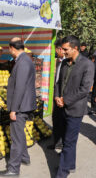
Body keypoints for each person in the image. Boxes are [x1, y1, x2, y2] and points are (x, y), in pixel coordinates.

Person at [54, 35, 94, 178]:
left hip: (75, 109)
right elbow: (59, 83)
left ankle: (62, 173)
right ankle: (69, 165)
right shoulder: (64, 63)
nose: (63, 52)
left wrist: (66, 100)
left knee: (69, 142)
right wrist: (57, 97)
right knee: (66, 139)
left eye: (66, 49)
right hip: (61, 106)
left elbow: (84, 89)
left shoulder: (87, 64)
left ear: (75, 48)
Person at [0, 37, 37, 177]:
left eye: (9, 49)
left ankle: (13, 168)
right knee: (20, 134)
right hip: (24, 104)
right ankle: (25, 158)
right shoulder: (25, 60)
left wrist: (13, 109)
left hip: (20, 106)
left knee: (16, 138)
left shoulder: (23, 62)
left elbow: (19, 88)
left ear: (12, 48)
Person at [47, 38, 66, 151]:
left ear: (60, 49)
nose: (55, 52)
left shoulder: (67, 62)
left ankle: (62, 143)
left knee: (63, 122)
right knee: (55, 120)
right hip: (57, 96)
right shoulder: (59, 61)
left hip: (64, 98)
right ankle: (57, 142)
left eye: (56, 49)